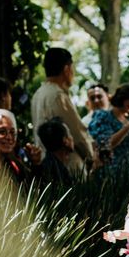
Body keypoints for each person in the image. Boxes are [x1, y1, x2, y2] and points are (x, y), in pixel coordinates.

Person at [31, 47, 94, 175]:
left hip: (46, 163)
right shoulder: (58, 95)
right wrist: (90, 156)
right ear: (66, 69)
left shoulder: (38, 94)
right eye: (73, 69)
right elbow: (76, 132)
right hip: (67, 165)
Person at [0, 108, 42, 184]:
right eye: (2, 132)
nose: (9, 137)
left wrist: (36, 163)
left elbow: (32, 189)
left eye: (12, 132)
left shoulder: (12, 163)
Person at [37, 118, 74, 187]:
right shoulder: (55, 173)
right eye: (69, 134)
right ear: (65, 140)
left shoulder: (48, 165)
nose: (72, 138)